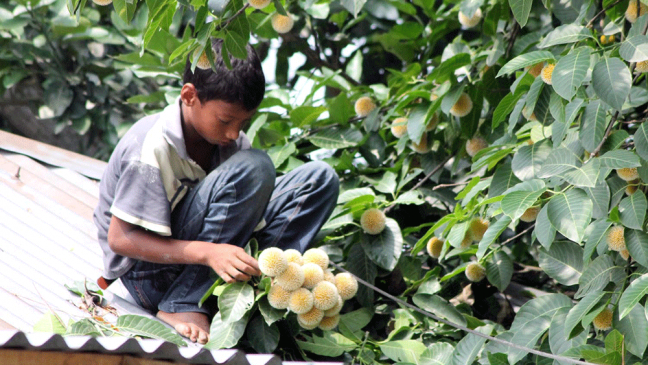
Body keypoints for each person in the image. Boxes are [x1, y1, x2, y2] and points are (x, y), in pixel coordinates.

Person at [92, 38, 340, 344]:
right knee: (256, 167)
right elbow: (120, 239)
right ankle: (182, 303)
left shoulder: (231, 144)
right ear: (189, 96)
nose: (235, 132)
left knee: (320, 178)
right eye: (226, 120)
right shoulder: (151, 145)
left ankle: (258, 285)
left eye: (243, 121)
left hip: (204, 267)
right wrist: (209, 253)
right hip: (147, 278)